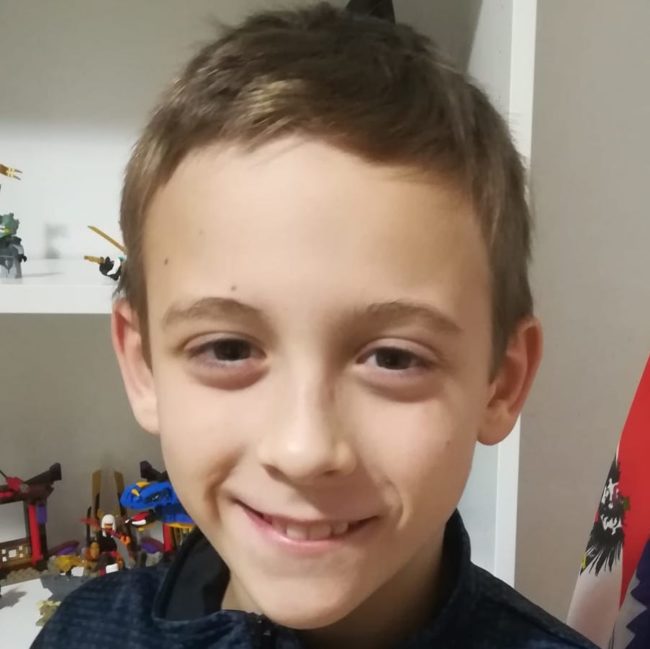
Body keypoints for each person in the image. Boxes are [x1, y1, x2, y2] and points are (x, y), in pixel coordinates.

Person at [33, 3, 597, 648]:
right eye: (228, 348)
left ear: (502, 381)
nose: (303, 451)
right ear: (142, 365)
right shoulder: (81, 632)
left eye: (394, 358)